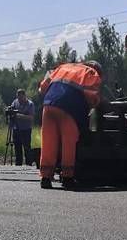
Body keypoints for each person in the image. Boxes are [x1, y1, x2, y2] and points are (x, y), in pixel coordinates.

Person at [37, 61, 103, 190]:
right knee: (69, 142)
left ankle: (45, 178)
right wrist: (97, 104)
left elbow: (42, 88)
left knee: (48, 142)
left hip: (49, 105)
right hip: (69, 107)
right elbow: (92, 97)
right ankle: (67, 177)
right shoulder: (90, 72)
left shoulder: (63, 67)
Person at [9, 89, 35, 166]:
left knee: (27, 148)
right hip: (16, 128)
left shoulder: (30, 104)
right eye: (18, 98)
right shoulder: (15, 102)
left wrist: (19, 116)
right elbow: (12, 110)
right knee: (17, 148)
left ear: (24, 96)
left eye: (20, 98)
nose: (19, 100)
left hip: (26, 129)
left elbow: (31, 117)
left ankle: (28, 164)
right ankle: (18, 164)